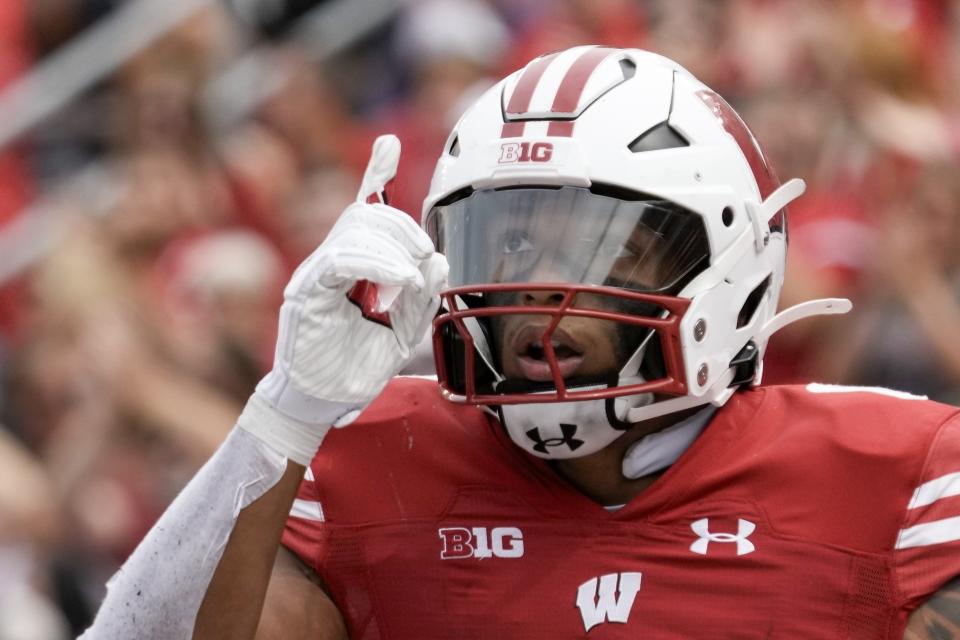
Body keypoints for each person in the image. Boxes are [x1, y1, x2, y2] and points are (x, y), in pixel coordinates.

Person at [81, 46, 960, 639]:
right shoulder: (364, 459)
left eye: (600, 242)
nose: (536, 284)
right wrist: (283, 415)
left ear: (728, 260)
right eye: (507, 242)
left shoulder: (899, 476)